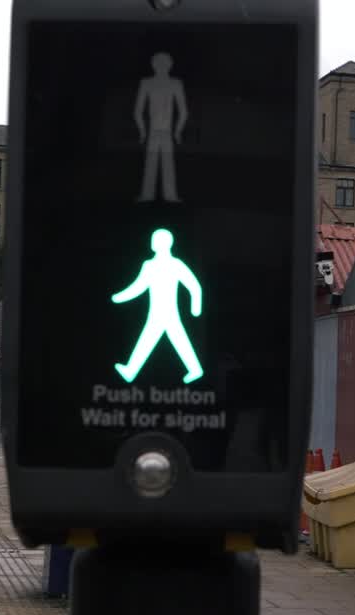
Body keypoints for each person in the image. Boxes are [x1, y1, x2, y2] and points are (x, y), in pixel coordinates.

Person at [112, 229, 203, 384]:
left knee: (164, 339)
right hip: (158, 314)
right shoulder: (150, 265)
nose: (154, 242)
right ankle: (194, 369)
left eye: (157, 240)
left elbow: (194, 286)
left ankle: (131, 370)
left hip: (166, 314)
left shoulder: (175, 264)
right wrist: (119, 297)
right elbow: (138, 287)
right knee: (166, 339)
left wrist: (196, 307)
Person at [133, 52, 188, 203]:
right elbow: (138, 110)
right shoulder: (147, 83)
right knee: (151, 164)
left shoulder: (175, 83)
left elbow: (183, 111)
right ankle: (148, 195)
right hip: (154, 131)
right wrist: (142, 131)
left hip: (165, 131)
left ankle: (168, 196)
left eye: (165, 63)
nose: (162, 66)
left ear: (170, 65)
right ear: (153, 65)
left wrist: (178, 131)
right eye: (159, 63)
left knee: (166, 165)